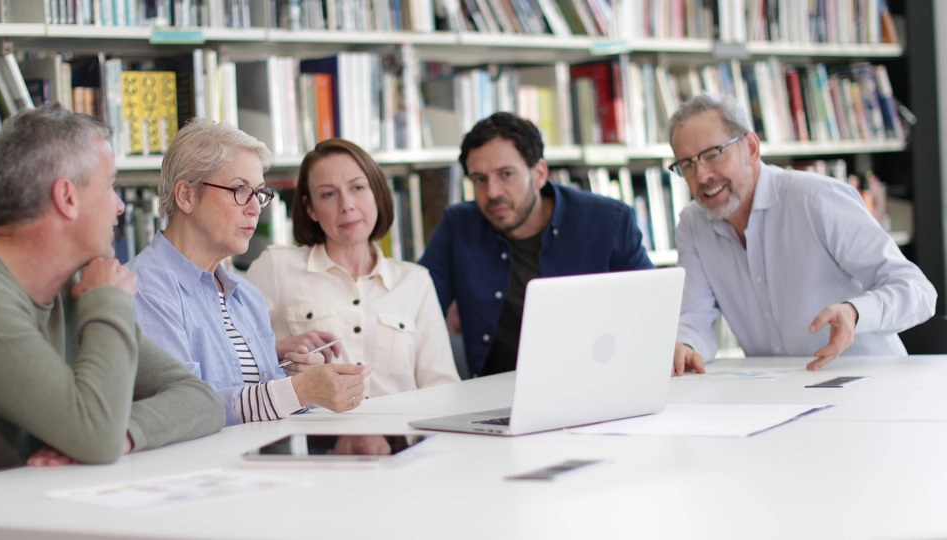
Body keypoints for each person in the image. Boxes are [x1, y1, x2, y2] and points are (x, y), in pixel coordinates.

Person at [0, 105, 225, 484]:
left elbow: (200, 398)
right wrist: (109, 304)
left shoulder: (76, 287)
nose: (120, 207)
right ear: (67, 196)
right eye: (111, 186)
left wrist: (126, 433)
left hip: (29, 509)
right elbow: (94, 435)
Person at [668, 93, 937, 375]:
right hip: (782, 394)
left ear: (750, 147)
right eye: (687, 164)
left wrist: (855, 312)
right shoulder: (692, 225)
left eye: (712, 155)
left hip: (871, 382)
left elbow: (918, 291)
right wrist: (686, 345)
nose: (701, 176)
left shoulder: (815, 199)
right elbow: (695, 316)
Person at [128, 119, 368, 426]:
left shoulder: (247, 297)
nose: (255, 208)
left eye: (259, 193)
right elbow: (182, 408)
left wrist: (297, 379)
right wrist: (297, 391)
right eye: (240, 190)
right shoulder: (144, 288)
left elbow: (257, 404)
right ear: (186, 196)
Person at [419, 112, 654, 377]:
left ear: (540, 174)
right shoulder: (459, 225)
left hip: (598, 380)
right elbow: (415, 307)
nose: (492, 192)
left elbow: (652, 308)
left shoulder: (608, 221)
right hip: (494, 394)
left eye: (506, 174)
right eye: (479, 180)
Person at [246, 138, 460, 397]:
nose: (346, 205)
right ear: (310, 208)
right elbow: (231, 364)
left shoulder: (416, 281)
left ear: (378, 195)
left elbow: (443, 387)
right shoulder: (276, 268)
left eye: (358, 187)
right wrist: (277, 349)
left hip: (401, 432)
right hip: (313, 434)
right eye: (328, 194)